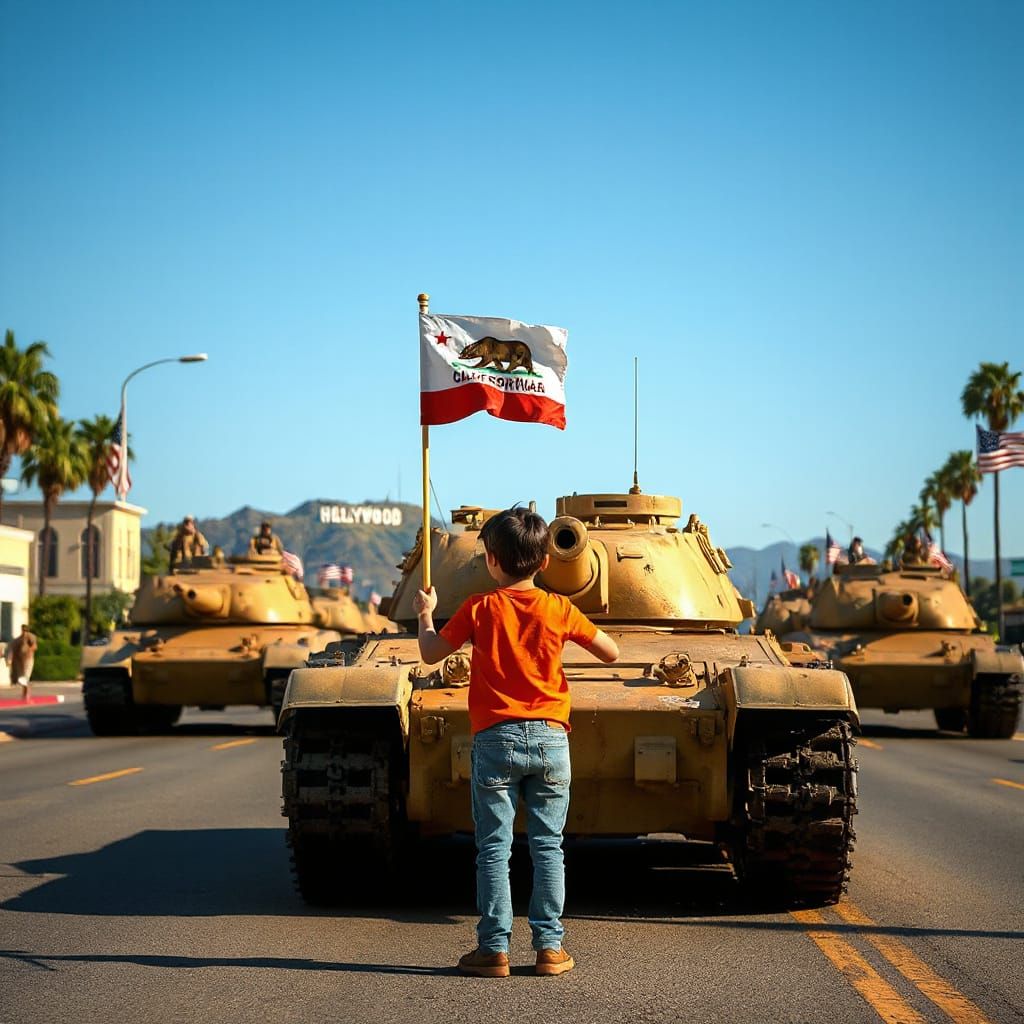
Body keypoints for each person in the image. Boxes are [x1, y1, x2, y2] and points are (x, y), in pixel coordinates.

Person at [413, 507, 619, 979]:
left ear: (490, 560)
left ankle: (494, 950)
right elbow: (612, 650)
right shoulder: (560, 608)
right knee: (548, 847)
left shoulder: (479, 609)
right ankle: (550, 949)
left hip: (495, 740)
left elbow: (429, 654)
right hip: (550, 739)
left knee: (493, 848)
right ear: (545, 562)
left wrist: (426, 615)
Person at [5, 624, 38, 700]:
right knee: (22, 678)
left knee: (26, 676)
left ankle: (27, 694)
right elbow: (12, 649)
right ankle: (25, 693)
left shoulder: (31, 636)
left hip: (28, 659)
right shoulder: (18, 639)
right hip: (20, 660)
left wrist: (28, 650)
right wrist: (10, 659)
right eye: (23, 630)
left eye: (25, 630)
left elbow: (35, 646)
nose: (24, 632)